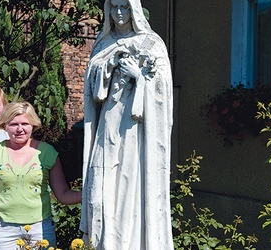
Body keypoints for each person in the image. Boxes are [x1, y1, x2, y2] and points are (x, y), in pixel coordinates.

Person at [80, 0, 174, 249]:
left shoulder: (152, 44)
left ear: (134, 9)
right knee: (101, 182)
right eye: (114, 7)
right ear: (107, 10)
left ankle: (131, 241)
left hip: (135, 131)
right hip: (108, 124)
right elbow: (92, 91)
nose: (119, 13)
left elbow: (163, 91)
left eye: (124, 7)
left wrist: (139, 76)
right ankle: (105, 241)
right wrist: (108, 65)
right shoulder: (103, 43)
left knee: (129, 181)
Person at [0, 101, 82, 250]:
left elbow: (63, 194)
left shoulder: (47, 152)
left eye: (25, 124)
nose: (19, 129)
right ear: (5, 125)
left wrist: (90, 193)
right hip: (3, 231)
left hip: (40, 230)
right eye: (13, 124)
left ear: (33, 125)